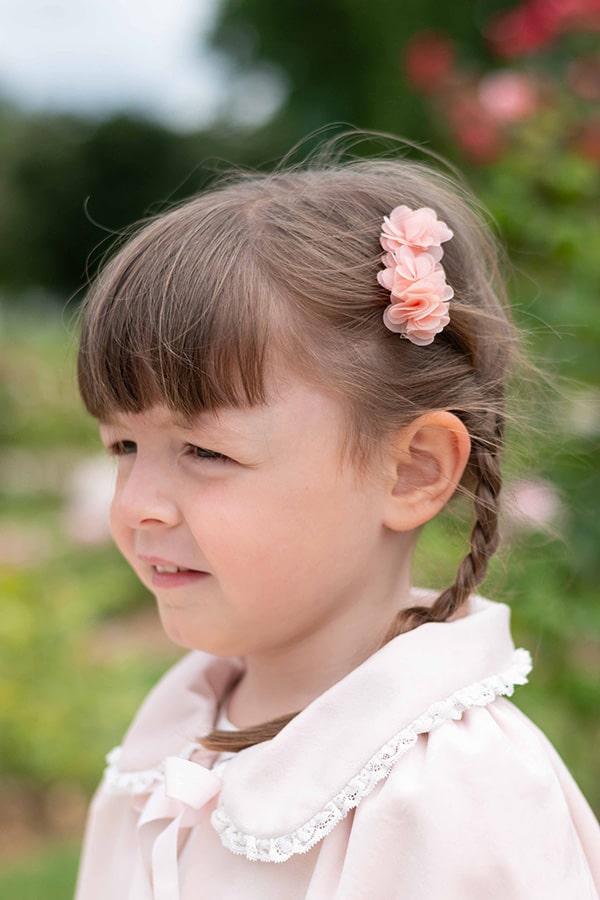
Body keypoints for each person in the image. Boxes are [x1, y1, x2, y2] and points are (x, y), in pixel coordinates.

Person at [74, 147, 600, 900]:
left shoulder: (454, 795)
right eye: (123, 446)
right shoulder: (172, 735)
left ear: (412, 470)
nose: (134, 505)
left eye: (205, 451)